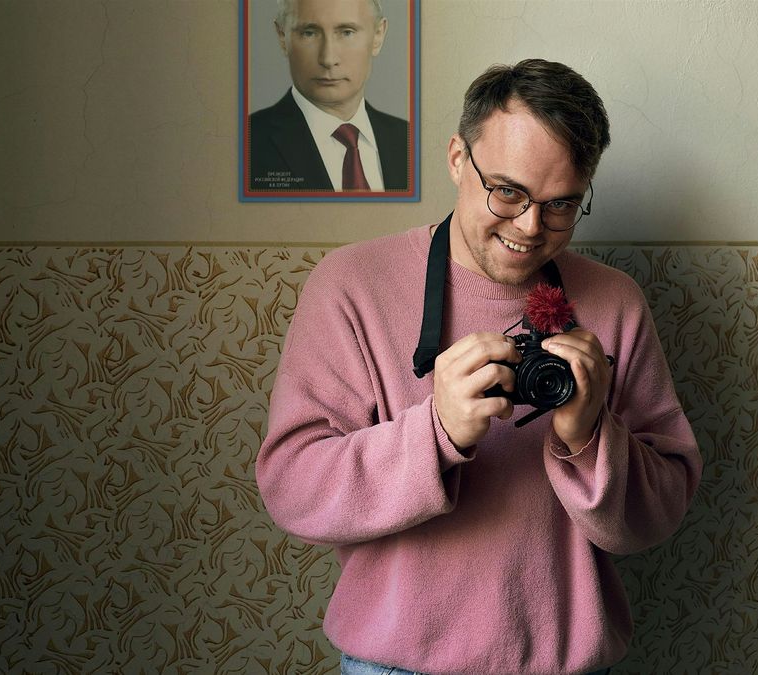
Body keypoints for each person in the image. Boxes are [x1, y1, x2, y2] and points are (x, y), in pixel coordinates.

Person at [256, 59, 702, 674]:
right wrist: (435, 432)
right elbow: (293, 491)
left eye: (561, 204)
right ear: (457, 159)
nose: (531, 227)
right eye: (508, 191)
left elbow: (661, 511)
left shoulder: (614, 301)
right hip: (396, 667)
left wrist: (590, 437)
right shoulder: (351, 286)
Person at [248, 0, 409, 192]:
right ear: (282, 36)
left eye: (347, 32)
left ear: (378, 35)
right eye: (309, 33)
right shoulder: (243, 145)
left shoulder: (412, 141)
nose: (328, 59)